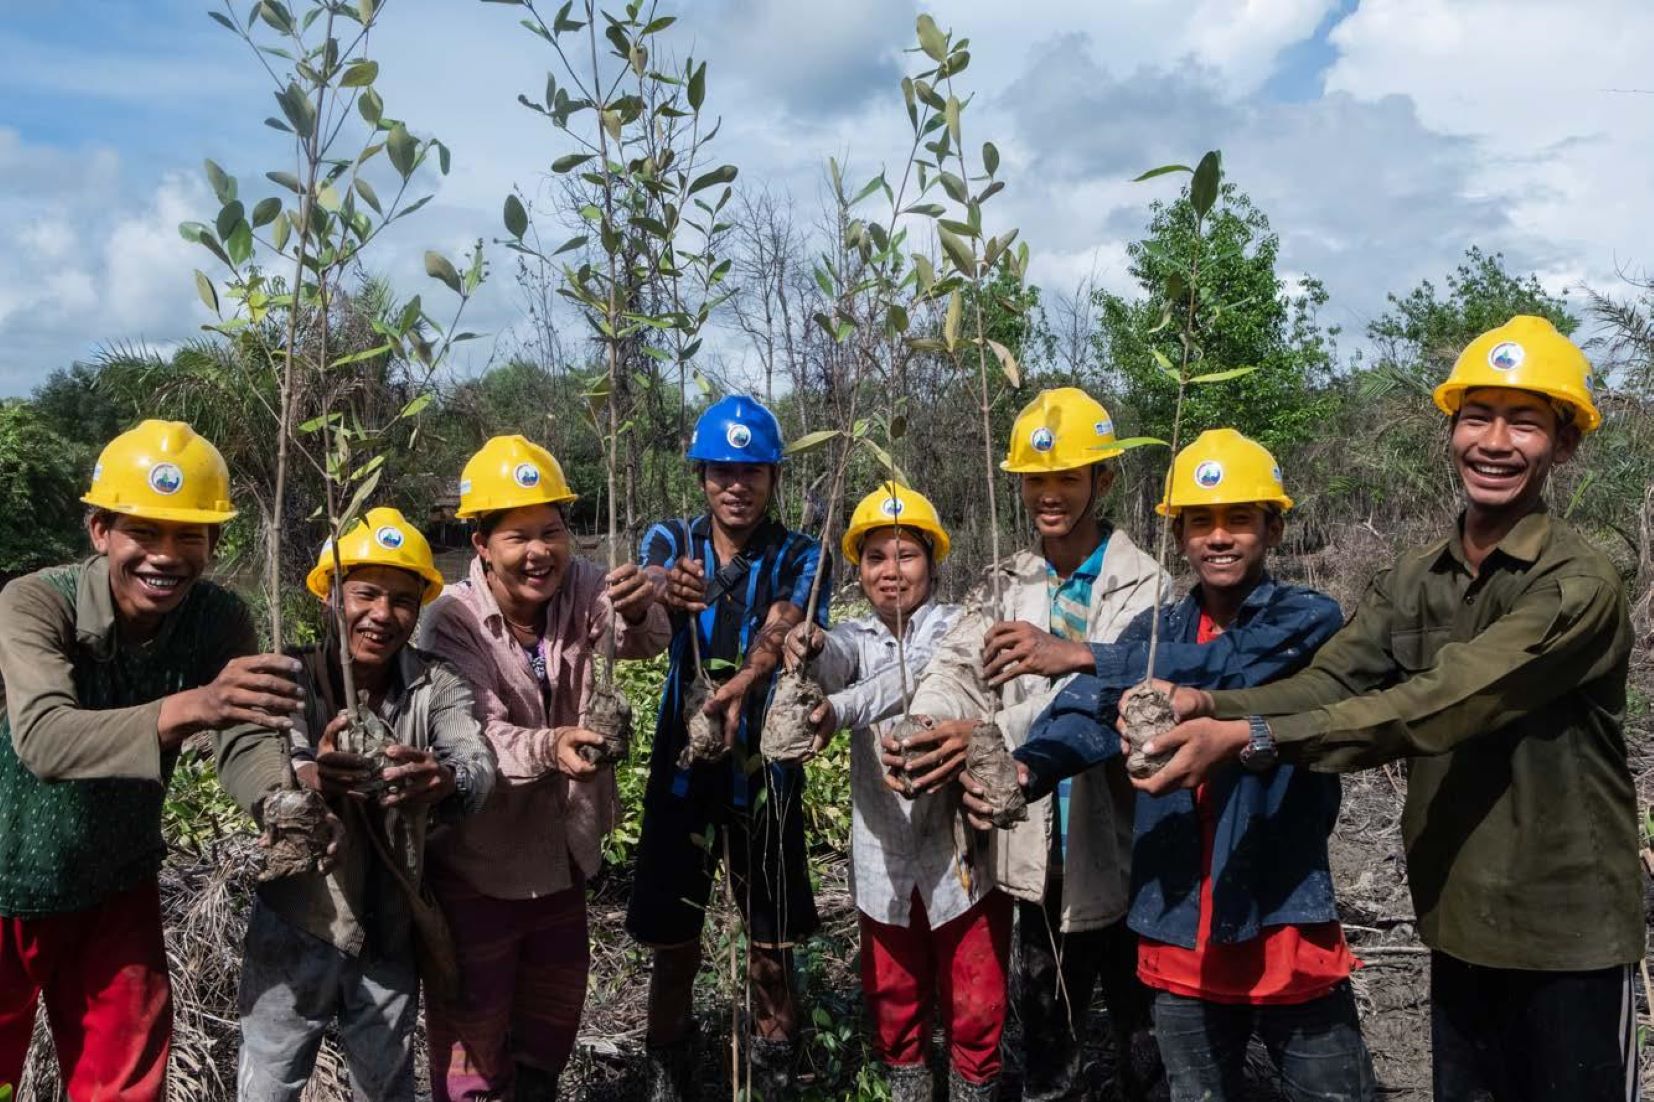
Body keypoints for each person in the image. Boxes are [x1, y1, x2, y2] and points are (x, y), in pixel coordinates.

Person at [1135, 316, 1640, 1101]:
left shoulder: (1578, 585)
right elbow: (1331, 680)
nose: (1496, 442)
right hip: (1459, 918)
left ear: (1564, 445)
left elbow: (1445, 702)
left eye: (1526, 422)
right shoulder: (1415, 578)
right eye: (1478, 417)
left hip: (1568, 930)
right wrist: (1206, 699)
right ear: (1451, 431)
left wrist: (1251, 735)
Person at [992, 429, 1376, 1101]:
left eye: (1239, 519)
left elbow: (1230, 665)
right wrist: (1029, 768)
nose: (1219, 537)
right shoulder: (1156, 630)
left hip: (1283, 913)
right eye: (1200, 522)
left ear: (1274, 528)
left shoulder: (1308, 620)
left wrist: (1084, 653)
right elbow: (1086, 708)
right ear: (1181, 537)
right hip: (1177, 925)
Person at [0, 420, 305, 1101]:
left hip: (116, 883)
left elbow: (244, 734)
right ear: (101, 531)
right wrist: (197, 704)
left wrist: (281, 803)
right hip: (7, 877)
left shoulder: (218, 620)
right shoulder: (36, 602)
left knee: (124, 1082)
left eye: (188, 535)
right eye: (145, 531)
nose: (165, 556)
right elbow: (46, 739)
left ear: (213, 545)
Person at [888, 387, 1168, 1101]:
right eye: (1035, 480)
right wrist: (928, 725)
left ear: (1101, 481)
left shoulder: (1148, 587)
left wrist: (987, 735)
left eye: (1066, 478)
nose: (1049, 495)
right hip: (1036, 855)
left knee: (1146, 1039)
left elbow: (1114, 701)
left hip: (1124, 851)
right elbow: (957, 666)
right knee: (1045, 1032)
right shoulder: (1005, 583)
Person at [419, 436, 668, 1100]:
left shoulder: (583, 584)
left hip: (563, 858)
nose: (540, 552)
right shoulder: (451, 620)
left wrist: (642, 604)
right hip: (479, 869)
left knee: (548, 1033)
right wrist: (551, 744)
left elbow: (642, 639)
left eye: (552, 532)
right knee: (474, 1041)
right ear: (481, 544)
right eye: (518, 536)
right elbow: (473, 734)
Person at [220, 507, 496, 1101]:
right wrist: (311, 777)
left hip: (389, 924)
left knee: (385, 1086)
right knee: (269, 1080)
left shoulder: (436, 683)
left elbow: (477, 763)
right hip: (297, 918)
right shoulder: (287, 675)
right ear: (331, 596)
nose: (382, 615)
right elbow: (272, 753)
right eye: (365, 594)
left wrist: (442, 779)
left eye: (402, 600)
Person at [626, 395, 827, 1100]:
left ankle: (774, 1082)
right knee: (672, 948)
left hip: (764, 773)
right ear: (702, 475)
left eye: (752, 473)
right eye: (721, 471)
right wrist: (661, 591)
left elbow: (786, 621)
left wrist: (742, 681)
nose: (735, 486)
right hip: (682, 772)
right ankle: (666, 1084)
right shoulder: (672, 538)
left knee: (771, 951)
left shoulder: (802, 553)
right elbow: (645, 583)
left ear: (773, 478)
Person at [785, 483, 1008, 1102]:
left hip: (960, 855)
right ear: (858, 569)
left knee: (977, 999)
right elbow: (838, 661)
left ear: (933, 561)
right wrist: (810, 648)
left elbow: (901, 685)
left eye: (906, 555)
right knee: (895, 999)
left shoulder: (963, 628)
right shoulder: (853, 636)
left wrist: (837, 710)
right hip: (883, 854)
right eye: (875, 557)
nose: (891, 572)